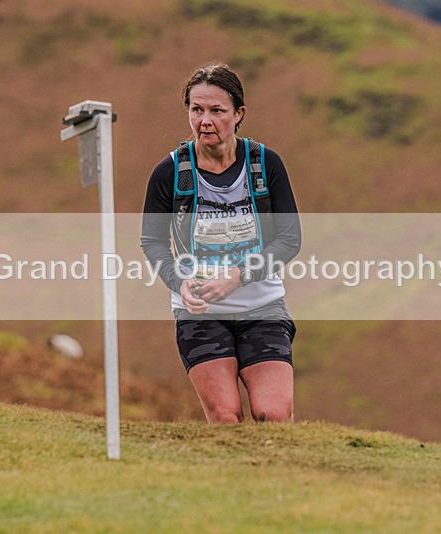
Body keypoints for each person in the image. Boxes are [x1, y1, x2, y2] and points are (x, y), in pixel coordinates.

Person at [141, 63, 301, 423]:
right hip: (200, 316)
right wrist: (179, 283)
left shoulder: (265, 165)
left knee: (273, 414)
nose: (205, 121)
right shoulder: (169, 173)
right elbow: (151, 241)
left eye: (217, 111)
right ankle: (234, 479)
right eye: (196, 110)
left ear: (238, 114)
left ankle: (284, 477)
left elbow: (289, 239)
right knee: (226, 417)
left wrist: (237, 277)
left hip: (263, 309)